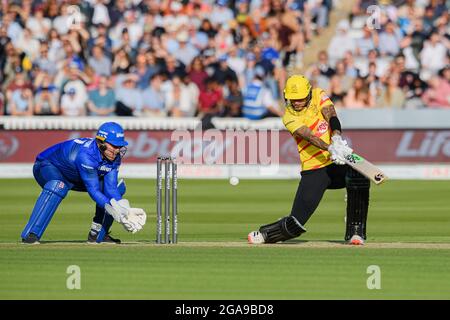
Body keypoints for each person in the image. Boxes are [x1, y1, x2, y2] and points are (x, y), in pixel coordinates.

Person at [248, 75, 371, 245]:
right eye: (293, 99)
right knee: (295, 224)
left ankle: (355, 232)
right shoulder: (288, 117)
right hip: (314, 169)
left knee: (360, 176)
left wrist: (336, 138)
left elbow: (332, 115)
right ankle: (265, 234)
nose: (297, 103)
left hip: (335, 163)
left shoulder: (318, 94)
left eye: (300, 99)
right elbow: (308, 136)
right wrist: (329, 147)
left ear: (308, 94)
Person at [21, 122, 147, 244]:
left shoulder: (115, 158)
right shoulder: (86, 155)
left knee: (117, 191)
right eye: (114, 146)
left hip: (76, 175)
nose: (117, 150)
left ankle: (97, 234)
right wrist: (115, 211)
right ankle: (31, 234)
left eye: (119, 146)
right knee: (58, 186)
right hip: (48, 167)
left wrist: (125, 210)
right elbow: (93, 190)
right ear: (101, 143)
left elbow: (111, 188)